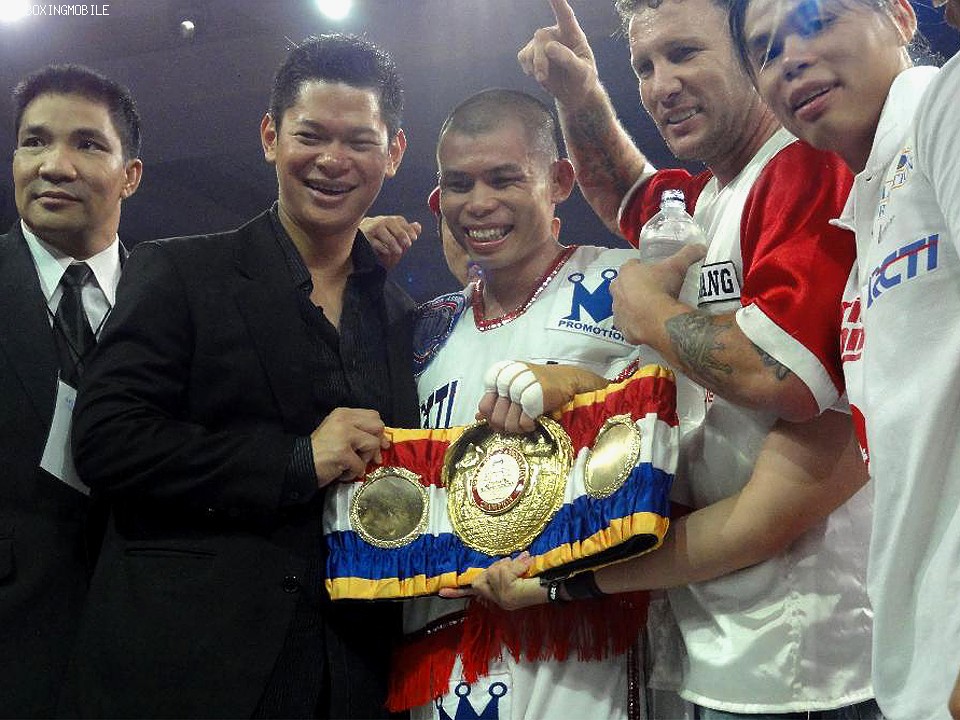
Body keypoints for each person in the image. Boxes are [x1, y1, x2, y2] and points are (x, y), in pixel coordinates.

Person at [469, 1, 878, 717]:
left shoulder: (803, 166)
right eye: (645, 66)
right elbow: (624, 190)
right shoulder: (715, 195)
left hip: (807, 652)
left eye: (685, 53)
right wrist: (580, 94)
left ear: (752, 54)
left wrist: (649, 315)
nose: (661, 85)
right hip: (721, 637)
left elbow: (783, 377)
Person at [61, 34, 418, 718]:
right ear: (270, 137)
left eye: (359, 141)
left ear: (393, 153)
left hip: (355, 677)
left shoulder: (399, 315)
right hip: (188, 671)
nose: (333, 160)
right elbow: (106, 440)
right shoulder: (179, 271)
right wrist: (295, 461)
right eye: (310, 135)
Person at [728, 1, 959, 717]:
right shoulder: (868, 211)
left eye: (817, 19)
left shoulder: (944, 104)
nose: (791, 58)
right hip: (915, 665)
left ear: (900, 15)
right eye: (766, 51)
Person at [398, 88, 653, 720]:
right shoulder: (423, 330)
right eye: (458, 184)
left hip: (582, 648)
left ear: (559, 180)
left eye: (503, 178)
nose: (478, 203)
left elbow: (680, 432)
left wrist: (583, 389)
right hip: (444, 651)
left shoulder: (627, 283)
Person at [0, 64, 142, 717]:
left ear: (130, 175)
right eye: (34, 141)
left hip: (150, 659)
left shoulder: (177, 300)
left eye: (87, 144)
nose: (54, 166)